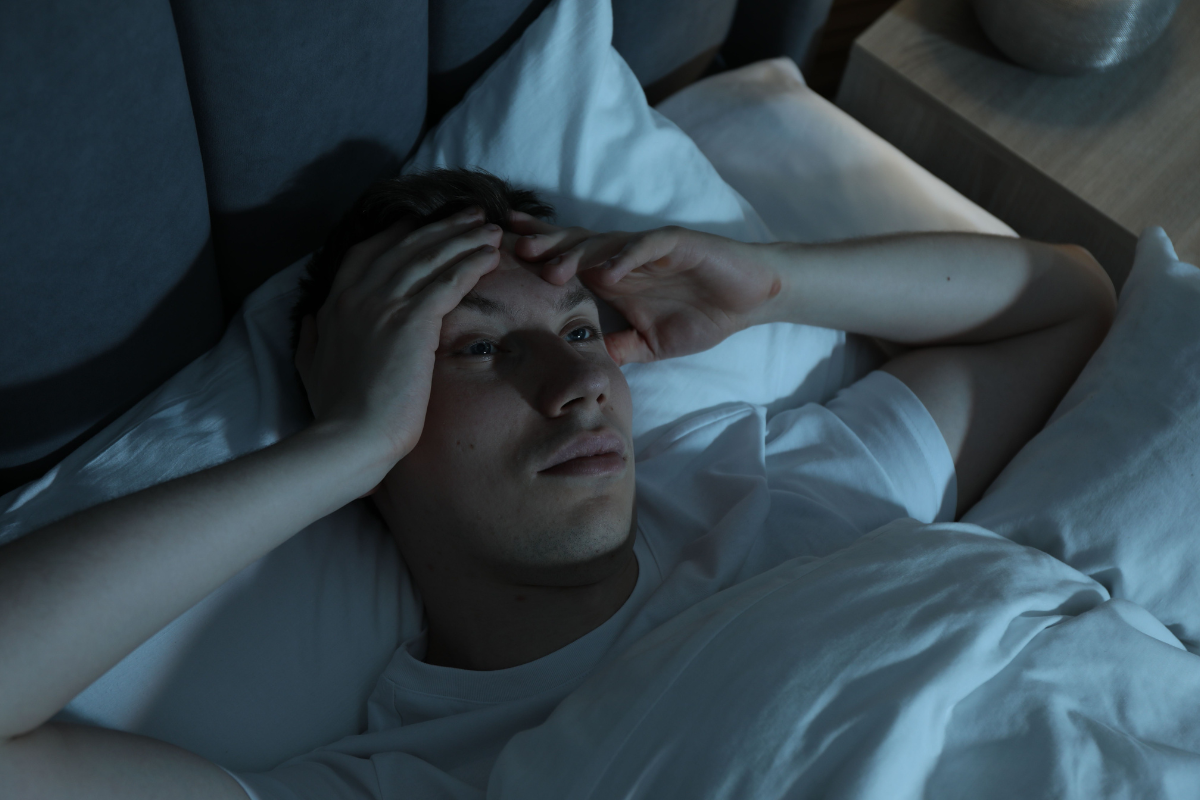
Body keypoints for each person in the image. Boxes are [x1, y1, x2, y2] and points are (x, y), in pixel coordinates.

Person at [0, 167, 1117, 798]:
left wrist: (774, 286)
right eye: (481, 348)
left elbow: (1070, 299)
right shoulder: (405, 780)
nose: (581, 382)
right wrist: (344, 446)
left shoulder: (779, 491)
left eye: (582, 329)